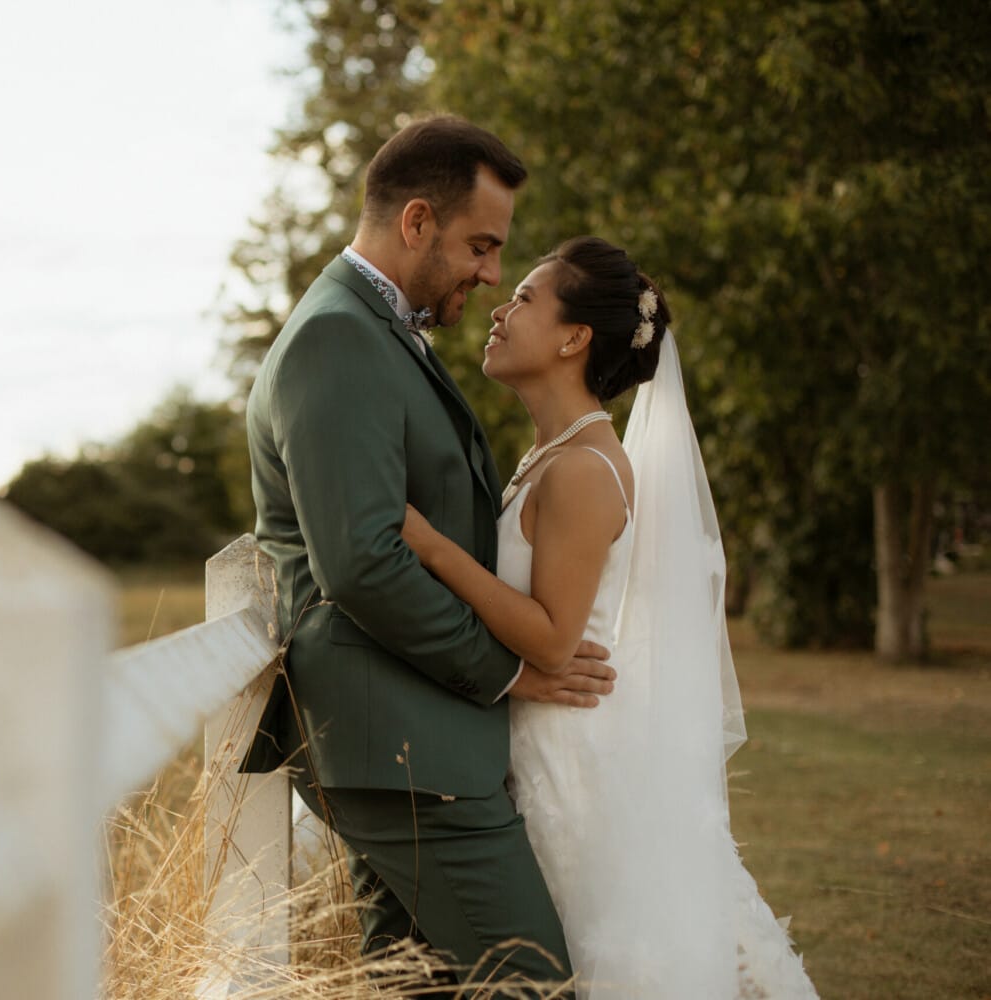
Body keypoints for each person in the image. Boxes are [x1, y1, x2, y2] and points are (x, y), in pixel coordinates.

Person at [240, 115, 614, 994]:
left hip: (407, 741)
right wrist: (508, 672)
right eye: (481, 246)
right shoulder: (338, 339)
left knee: (417, 985)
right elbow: (364, 562)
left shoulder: (380, 332)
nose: (490, 275)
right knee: (535, 984)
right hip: (402, 751)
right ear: (415, 222)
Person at [400, 235, 819, 998]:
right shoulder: (549, 456)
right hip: (537, 743)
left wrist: (431, 548)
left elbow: (556, 638)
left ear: (574, 337)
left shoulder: (585, 468)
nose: (499, 307)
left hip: (571, 763)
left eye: (524, 298)